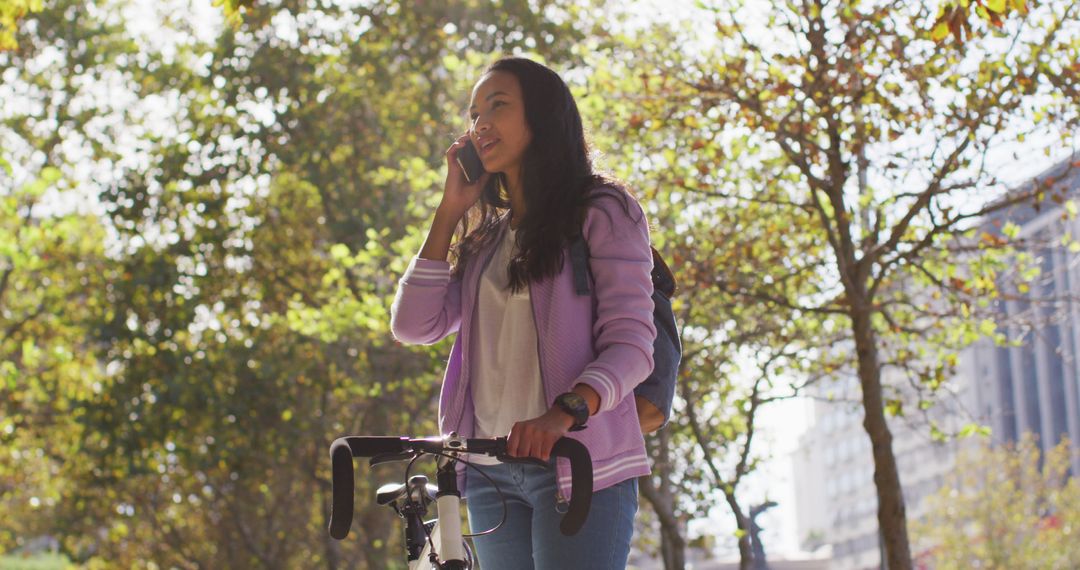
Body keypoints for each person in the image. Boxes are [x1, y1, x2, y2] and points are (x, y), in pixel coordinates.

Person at [390, 56, 656, 570]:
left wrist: (563, 413)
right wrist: (450, 212)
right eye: (474, 113)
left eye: (498, 105)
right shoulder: (486, 239)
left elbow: (632, 344)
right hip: (491, 473)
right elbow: (412, 326)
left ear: (542, 115)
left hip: (581, 468)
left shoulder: (603, 211)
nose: (480, 122)